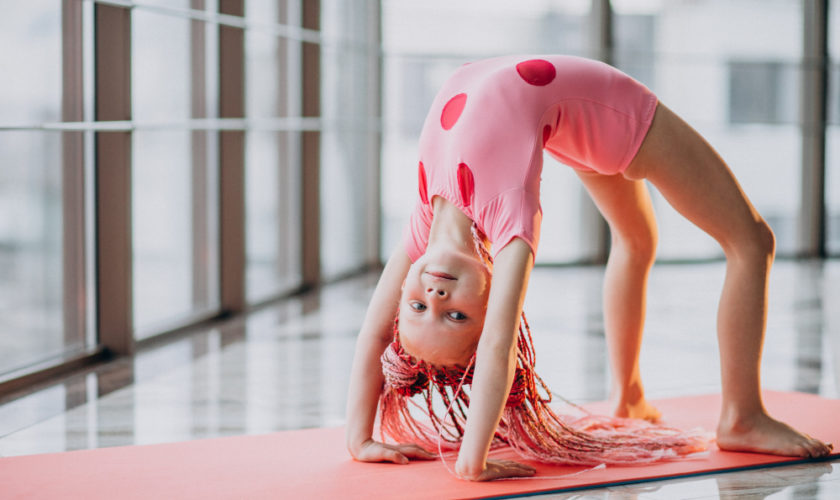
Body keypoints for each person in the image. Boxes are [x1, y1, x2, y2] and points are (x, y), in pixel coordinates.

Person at [344, 54, 833, 482]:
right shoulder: (509, 215)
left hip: (572, 117)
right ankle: (743, 416)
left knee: (637, 239)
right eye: (455, 317)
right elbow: (498, 346)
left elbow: (372, 333)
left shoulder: (420, 226)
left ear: (406, 286)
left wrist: (359, 440)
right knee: (752, 241)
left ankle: (630, 399)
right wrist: (471, 463)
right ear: (489, 297)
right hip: (606, 111)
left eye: (416, 306)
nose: (436, 298)